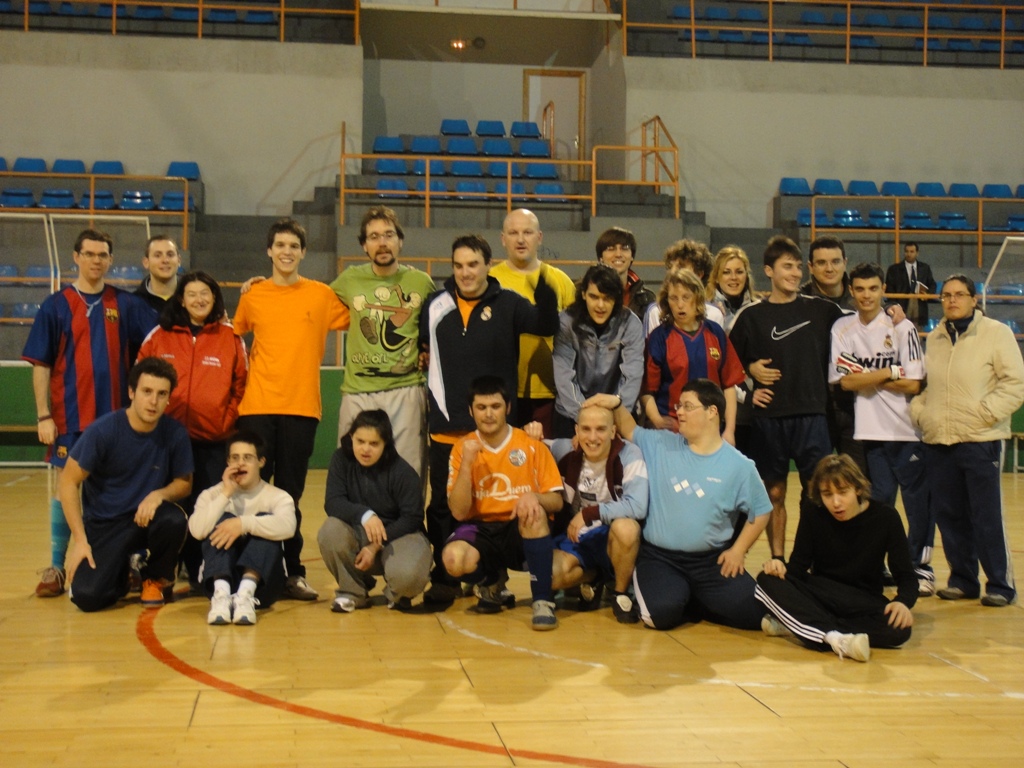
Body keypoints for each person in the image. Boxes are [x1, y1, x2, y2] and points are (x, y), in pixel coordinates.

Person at [418, 234, 558, 604]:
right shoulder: (435, 305)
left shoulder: (509, 303)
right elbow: (424, 351)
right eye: (459, 265)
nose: (466, 272)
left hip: (494, 434)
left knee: (496, 506)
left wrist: (546, 293)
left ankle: (493, 574)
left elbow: (545, 324)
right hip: (447, 428)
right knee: (443, 507)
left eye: (473, 264)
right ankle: (446, 578)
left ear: (487, 265)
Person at [22, 228, 157, 598]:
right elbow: (41, 365)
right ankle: (56, 565)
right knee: (64, 489)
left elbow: (163, 331)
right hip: (69, 420)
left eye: (103, 255)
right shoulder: (55, 306)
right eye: (90, 254)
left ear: (111, 260)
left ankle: (129, 560)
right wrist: (43, 415)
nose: (96, 260)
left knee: (124, 489)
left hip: (117, 421)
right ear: (76, 257)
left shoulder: (125, 305)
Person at [585, 379, 772, 631]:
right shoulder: (661, 443)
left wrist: (738, 550)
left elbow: (761, 511)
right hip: (661, 558)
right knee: (659, 616)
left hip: (710, 563)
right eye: (678, 405)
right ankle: (680, 595)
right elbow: (629, 428)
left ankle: (694, 597)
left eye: (687, 406)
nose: (678, 412)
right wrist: (616, 404)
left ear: (712, 412)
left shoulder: (740, 465)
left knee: (755, 615)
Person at [232, 217, 351, 601]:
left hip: (301, 409)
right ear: (269, 251)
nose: (286, 252)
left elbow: (361, 311)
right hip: (257, 407)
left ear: (303, 252)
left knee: (288, 497)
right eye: (280, 245)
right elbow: (234, 337)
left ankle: (293, 572)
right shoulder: (252, 296)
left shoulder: (320, 294)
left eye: (293, 246)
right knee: (252, 494)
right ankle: (251, 571)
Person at [910, 275, 1024, 607]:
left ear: (974, 299)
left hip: (981, 439)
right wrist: (922, 413)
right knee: (949, 515)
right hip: (939, 440)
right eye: (946, 295)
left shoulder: (996, 334)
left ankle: (1000, 585)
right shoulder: (935, 338)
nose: (952, 300)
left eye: (960, 294)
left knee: (986, 515)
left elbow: (1015, 384)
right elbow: (928, 388)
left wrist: (985, 413)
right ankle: (963, 579)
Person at [728, 236, 845, 559]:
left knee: (819, 492)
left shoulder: (824, 311)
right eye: (786, 267)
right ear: (769, 270)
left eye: (797, 267)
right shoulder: (751, 317)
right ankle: (778, 559)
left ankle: (817, 560)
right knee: (773, 492)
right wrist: (750, 380)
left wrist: (892, 314)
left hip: (813, 417)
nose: (794, 273)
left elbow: (863, 327)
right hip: (769, 421)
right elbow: (727, 367)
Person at [137, 270, 248, 593]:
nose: (199, 299)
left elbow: (242, 386)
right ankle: (162, 571)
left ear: (214, 299)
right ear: (181, 300)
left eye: (205, 294)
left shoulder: (231, 338)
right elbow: (140, 376)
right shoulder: (160, 335)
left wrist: (226, 420)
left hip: (213, 441)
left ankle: (206, 572)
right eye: (192, 294)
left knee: (209, 506)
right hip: (166, 440)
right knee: (172, 509)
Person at [829, 262, 934, 596]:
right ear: (851, 290)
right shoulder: (842, 329)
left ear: (883, 288)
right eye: (859, 289)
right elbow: (846, 382)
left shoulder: (901, 327)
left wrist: (869, 377)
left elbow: (914, 383)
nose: (866, 295)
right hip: (871, 433)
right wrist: (891, 372)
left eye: (873, 289)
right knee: (880, 506)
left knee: (919, 506)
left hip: (908, 431)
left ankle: (922, 569)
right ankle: (882, 565)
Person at [57, 357, 193, 612]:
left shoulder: (174, 433)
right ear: (132, 392)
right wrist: (80, 541)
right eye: (147, 391)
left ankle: (155, 578)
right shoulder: (104, 431)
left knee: (174, 519)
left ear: (169, 399)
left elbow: (184, 484)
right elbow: (67, 481)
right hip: (105, 526)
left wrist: (159, 494)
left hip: (145, 519)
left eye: (161, 394)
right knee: (87, 598)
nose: (153, 401)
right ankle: (124, 574)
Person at [756, 454, 916, 663]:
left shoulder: (886, 517)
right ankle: (835, 638)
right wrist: (779, 567)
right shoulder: (814, 512)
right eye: (827, 494)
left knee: (900, 630)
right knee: (765, 579)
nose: (836, 502)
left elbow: (907, 576)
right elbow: (797, 568)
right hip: (821, 592)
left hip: (863, 600)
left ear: (858, 489)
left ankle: (799, 626)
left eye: (842, 492)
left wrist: (903, 602)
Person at [442, 376, 564, 630]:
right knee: (453, 560)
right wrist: (466, 465)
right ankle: (491, 580)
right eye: (481, 407)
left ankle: (542, 601)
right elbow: (459, 511)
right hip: (481, 528)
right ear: (470, 410)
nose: (488, 414)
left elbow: (556, 501)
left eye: (495, 406)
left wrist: (534, 497)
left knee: (535, 512)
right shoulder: (461, 448)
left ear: (507, 408)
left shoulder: (530, 444)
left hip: (519, 527)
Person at [330, 207, 436, 478]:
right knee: (351, 470)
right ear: (364, 245)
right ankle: (357, 520)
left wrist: (427, 353)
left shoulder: (421, 282)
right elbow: (308, 297)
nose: (382, 242)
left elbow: (435, 327)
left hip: (406, 389)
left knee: (409, 471)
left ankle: (408, 522)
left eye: (389, 235)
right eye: (374, 236)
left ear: (400, 241)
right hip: (358, 390)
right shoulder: (349, 280)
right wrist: (260, 283)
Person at [540, 405, 647, 623]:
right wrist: (531, 433)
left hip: (612, 537)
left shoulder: (629, 454)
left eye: (600, 429)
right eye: (586, 429)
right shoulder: (564, 450)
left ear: (613, 431)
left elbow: (638, 506)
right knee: (547, 575)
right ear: (576, 432)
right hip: (578, 537)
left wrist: (590, 513)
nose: (592, 437)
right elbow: (529, 446)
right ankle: (595, 576)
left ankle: (620, 593)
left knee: (626, 527)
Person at [318, 410, 430, 613]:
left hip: (400, 535)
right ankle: (352, 592)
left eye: (374, 443)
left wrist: (376, 545)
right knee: (330, 530)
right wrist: (365, 514)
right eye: (360, 441)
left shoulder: (403, 473)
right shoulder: (341, 460)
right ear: (351, 437)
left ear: (385, 443)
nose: (365, 449)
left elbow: (412, 518)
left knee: (409, 577)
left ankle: (398, 593)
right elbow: (333, 502)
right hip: (360, 533)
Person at [189, 430, 296, 625]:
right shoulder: (211, 495)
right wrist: (226, 494)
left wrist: (243, 523)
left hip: (263, 587)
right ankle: (221, 596)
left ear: (261, 462)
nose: (240, 463)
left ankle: (245, 595)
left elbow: (288, 527)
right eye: (235, 458)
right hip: (218, 580)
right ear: (227, 462)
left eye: (248, 458)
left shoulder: (278, 497)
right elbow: (197, 530)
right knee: (223, 518)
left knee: (264, 520)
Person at [490, 208, 577, 435]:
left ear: (539, 238)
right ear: (503, 239)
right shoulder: (489, 282)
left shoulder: (560, 281)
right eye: (513, 233)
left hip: (550, 393)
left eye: (527, 232)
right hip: (502, 394)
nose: (520, 239)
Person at [643, 268, 745, 443]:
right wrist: (658, 421)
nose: (680, 304)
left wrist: (729, 430)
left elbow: (729, 385)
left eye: (686, 297)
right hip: (672, 433)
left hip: (711, 431)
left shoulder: (715, 333)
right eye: (674, 298)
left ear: (697, 298)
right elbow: (647, 391)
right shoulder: (659, 338)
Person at [551, 264, 644, 439]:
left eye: (607, 298)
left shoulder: (630, 323)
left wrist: (612, 414)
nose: (600, 305)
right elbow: (564, 377)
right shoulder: (566, 321)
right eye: (594, 297)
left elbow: (632, 376)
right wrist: (587, 420)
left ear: (616, 299)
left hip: (617, 411)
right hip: (572, 413)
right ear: (584, 294)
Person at [707, 246, 757, 455]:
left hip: (751, 406)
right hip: (716, 403)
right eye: (726, 272)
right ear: (716, 277)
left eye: (739, 271)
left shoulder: (758, 309)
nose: (733, 278)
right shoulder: (706, 311)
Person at [643, 239, 725, 336]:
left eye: (680, 267)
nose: (672, 272)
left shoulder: (715, 314)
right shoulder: (656, 311)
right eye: (670, 267)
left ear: (699, 274)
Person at [595, 226, 655, 320]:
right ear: (601, 257)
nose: (618, 254)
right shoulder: (586, 292)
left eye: (625, 248)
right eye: (611, 249)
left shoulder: (647, 298)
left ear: (632, 256)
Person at [885, 242, 936, 329]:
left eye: (912, 251)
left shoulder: (925, 268)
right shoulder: (894, 269)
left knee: (918, 333)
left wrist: (927, 294)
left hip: (919, 303)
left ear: (917, 253)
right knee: (900, 330)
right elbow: (889, 289)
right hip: (901, 303)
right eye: (907, 251)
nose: (909, 254)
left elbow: (932, 284)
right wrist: (895, 305)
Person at [134, 235, 182, 314]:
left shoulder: (194, 301)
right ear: (146, 262)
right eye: (157, 255)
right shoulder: (134, 304)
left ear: (179, 260)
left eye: (170, 255)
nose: (165, 260)